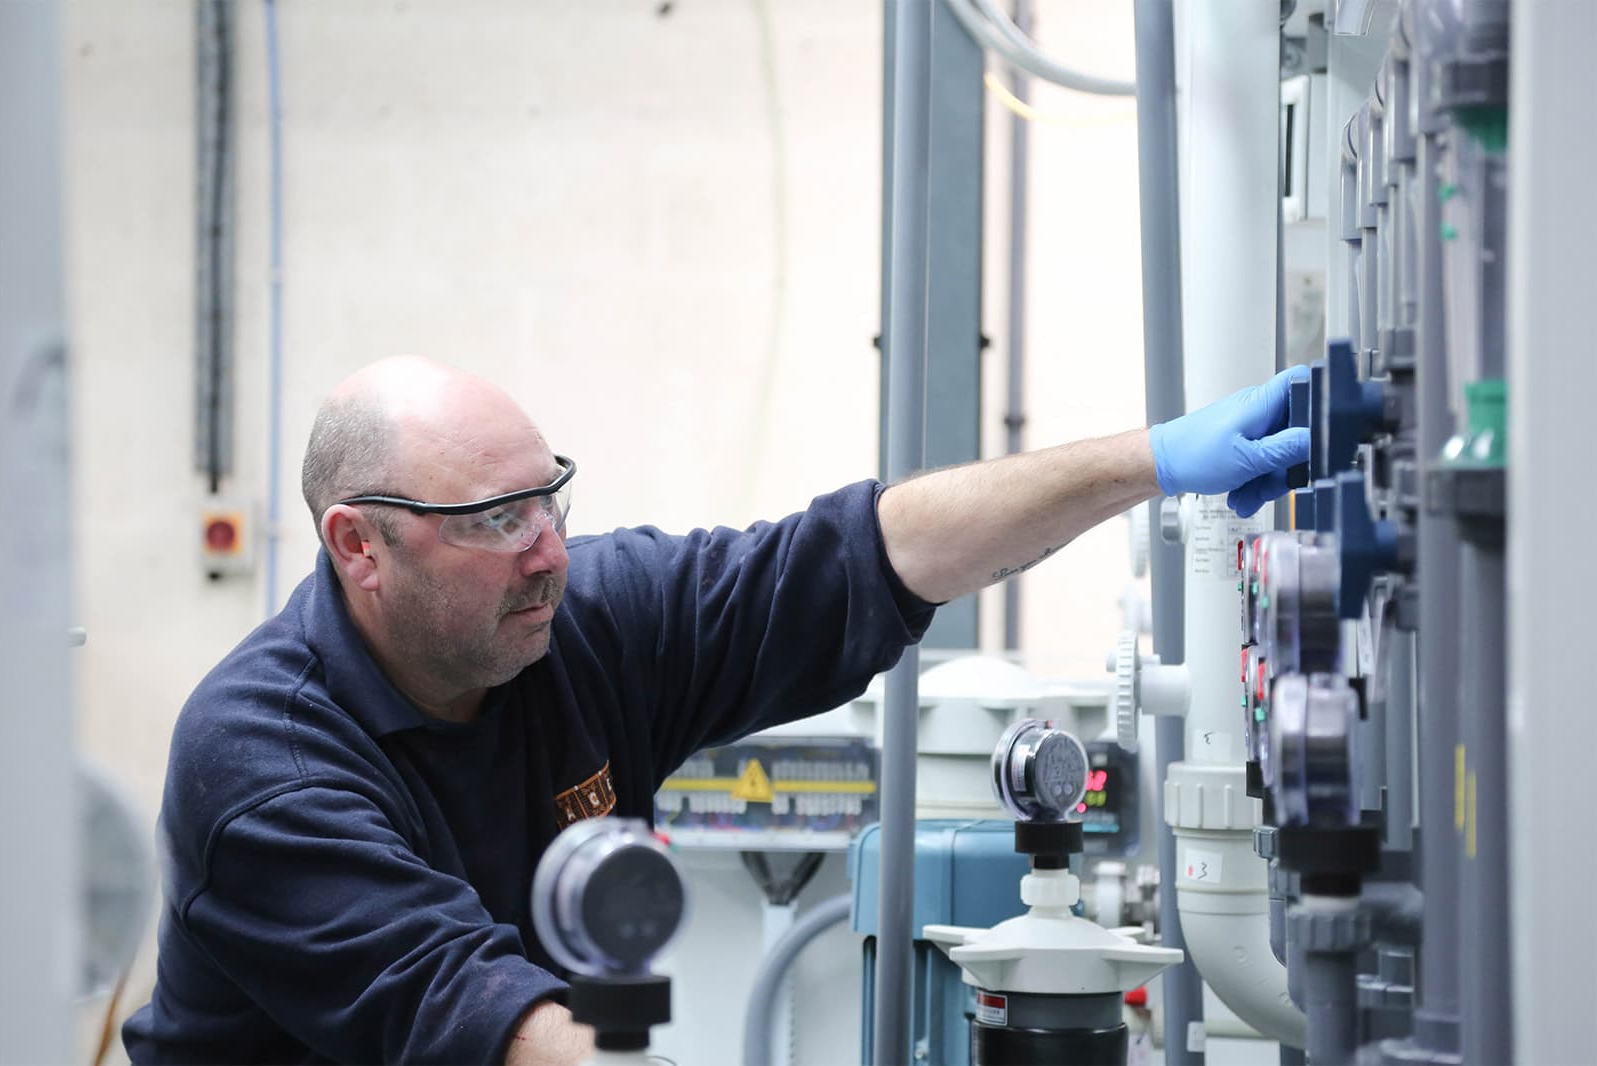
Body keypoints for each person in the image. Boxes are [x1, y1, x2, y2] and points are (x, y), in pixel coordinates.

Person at [123, 355, 1308, 1064]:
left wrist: (1149, 461)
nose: (546, 552)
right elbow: (483, 1021)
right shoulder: (262, 762)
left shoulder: (568, 627)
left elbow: (861, 554)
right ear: (359, 546)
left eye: (552, 499)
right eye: (493, 519)